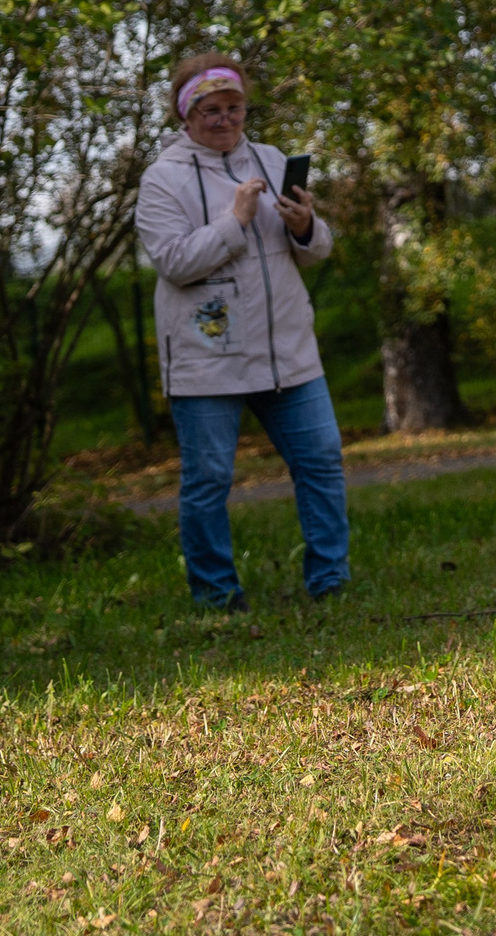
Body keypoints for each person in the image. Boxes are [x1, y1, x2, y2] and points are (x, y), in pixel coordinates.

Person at [134, 53, 344, 611]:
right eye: (211, 110)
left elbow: (317, 250)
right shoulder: (162, 180)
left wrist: (306, 227)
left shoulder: (274, 161)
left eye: (235, 107)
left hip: (287, 353)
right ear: (186, 114)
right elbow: (174, 261)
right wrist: (235, 222)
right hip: (208, 360)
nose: (225, 119)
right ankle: (217, 595)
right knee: (208, 480)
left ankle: (330, 581)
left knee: (321, 460)